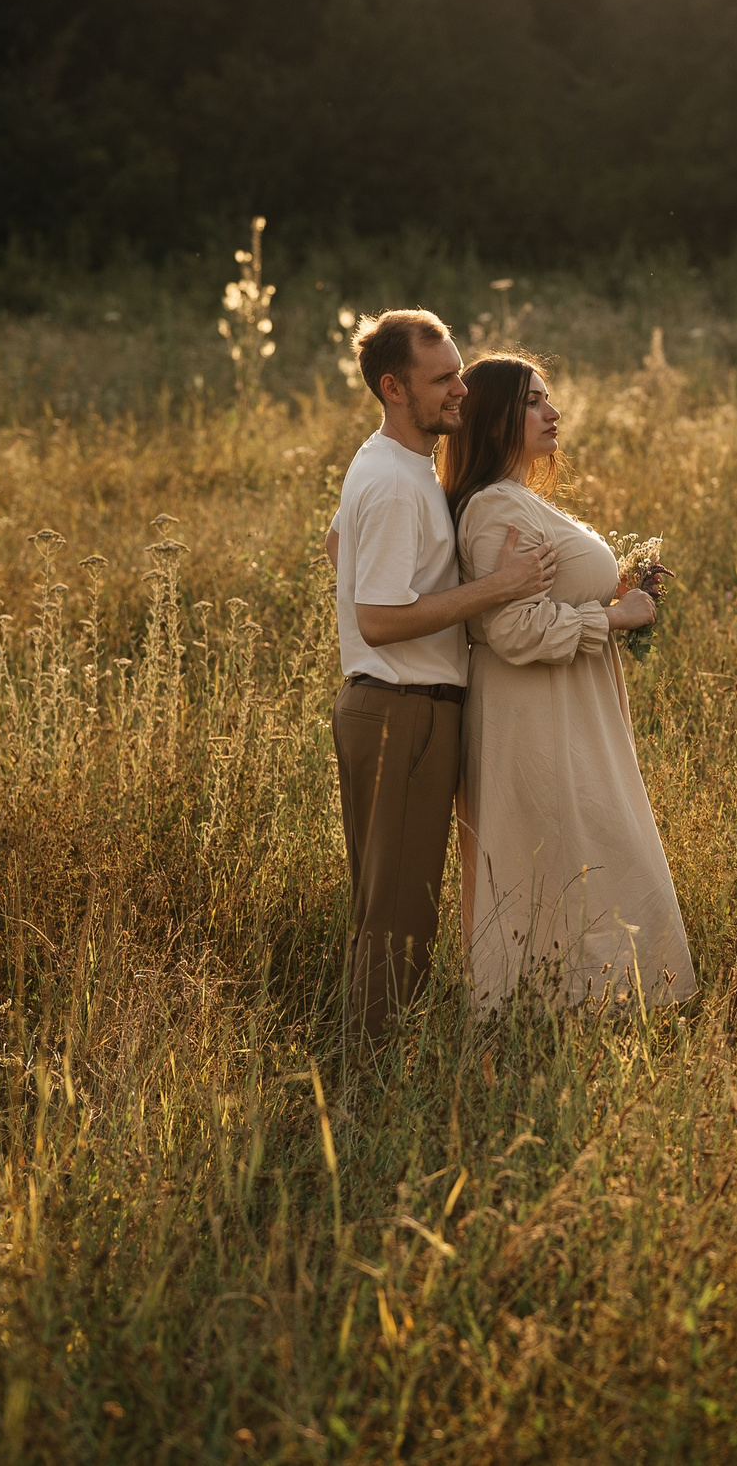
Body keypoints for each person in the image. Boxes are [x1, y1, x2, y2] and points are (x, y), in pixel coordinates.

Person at [324, 310, 556, 1038]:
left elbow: (338, 544)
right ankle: (368, 1087)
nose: (462, 389)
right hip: (403, 708)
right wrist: (499, 586)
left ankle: (369, 1072)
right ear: (395, 388)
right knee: (398, 918)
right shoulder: (397, 482)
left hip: (393, 702)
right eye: (444, 378)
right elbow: (381, 618)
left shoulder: (391, 463)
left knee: (388, 906)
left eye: (457, 371)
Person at [444, 354, 696, 1014]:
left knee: (581, 854)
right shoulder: (493, 509)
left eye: (549, 398)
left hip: (566, 709)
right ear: (495, 416)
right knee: (565, 857)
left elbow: (541, 597)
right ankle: (556, 1007)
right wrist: (614, 615)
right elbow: (513, 630)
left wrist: (617, 586)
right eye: (533, 401)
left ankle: (590, 1005)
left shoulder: (517, 499)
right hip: (534, 717)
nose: (552, 413)